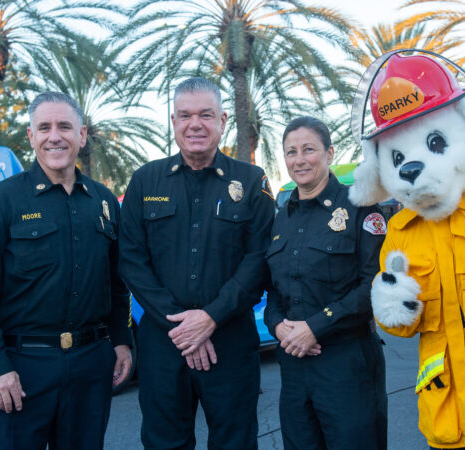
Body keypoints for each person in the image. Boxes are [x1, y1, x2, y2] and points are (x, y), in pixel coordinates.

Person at [0, 91, 132, 450]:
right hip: (20, 369)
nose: (55, 136)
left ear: (82, 135)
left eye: (65, 126)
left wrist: (120, 341)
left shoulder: (102, 202)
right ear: (31, 137)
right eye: (45, 127)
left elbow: (116, 283)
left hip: (89, 365)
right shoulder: (2, 201)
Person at [119, 77, 274, 449]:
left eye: (206, 115)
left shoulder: (251, 181)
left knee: (235, 442)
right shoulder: (145, 181)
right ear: (173, 122)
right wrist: (183, 327)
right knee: (164, 442)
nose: (195, 124)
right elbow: (132, 261)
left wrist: (210, 318)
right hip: (162, 344)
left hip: (231, 343)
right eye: (185, 115)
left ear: (222, 120)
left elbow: (260, 260)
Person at [264, 117, 387, 449]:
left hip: (346, 363)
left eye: (309, 150)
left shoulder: (361, 207)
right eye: (291, 152)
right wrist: (277, 326)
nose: (299, 160)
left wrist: (316, 326)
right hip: (293, 364)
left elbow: (374, 285)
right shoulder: (280, 218)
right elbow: (274, 290)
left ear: (329, 153)